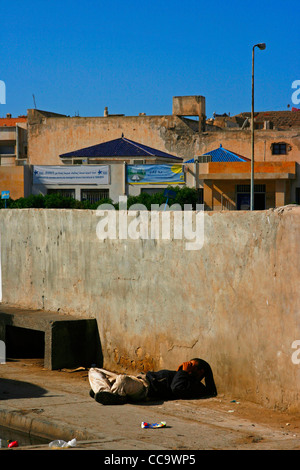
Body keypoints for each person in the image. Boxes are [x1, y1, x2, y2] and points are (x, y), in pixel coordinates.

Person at [88, 358, 217, 405]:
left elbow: (176, 389)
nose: (187, 366)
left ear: (200, 372)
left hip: (144, 388)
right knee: (94, 370)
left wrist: (182, 372)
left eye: (191, 365)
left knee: (122, 380)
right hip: (137, 379)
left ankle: (110, 393)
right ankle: (107, 392)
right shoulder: (181, 376)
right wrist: (180, 372)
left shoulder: (196, 386)